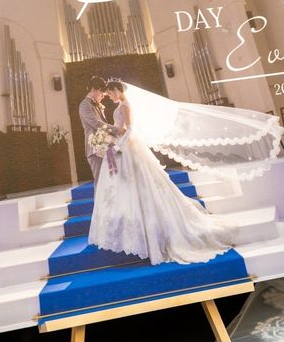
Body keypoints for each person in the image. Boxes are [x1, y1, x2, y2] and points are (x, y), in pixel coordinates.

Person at [88, 80, 237, 265]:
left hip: (127, 147)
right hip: (121, 146)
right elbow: (120, 128)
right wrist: (111, 140)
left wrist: (118, 145)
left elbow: (130, 129)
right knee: (124, 185)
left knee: (140, 183)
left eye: (110, 93)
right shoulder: (120, 105)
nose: (109, 96)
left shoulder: (125, 105)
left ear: (117, 90)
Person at [78, 76, 121, 185]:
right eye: (101, 92)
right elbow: (96, 123)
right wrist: (118, 130)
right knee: (100, 183)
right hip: (95, 149)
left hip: (107, 147)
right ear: (93, 89)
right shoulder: (84, 105)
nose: (103, 96)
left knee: (111, 182)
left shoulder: (98, 105)